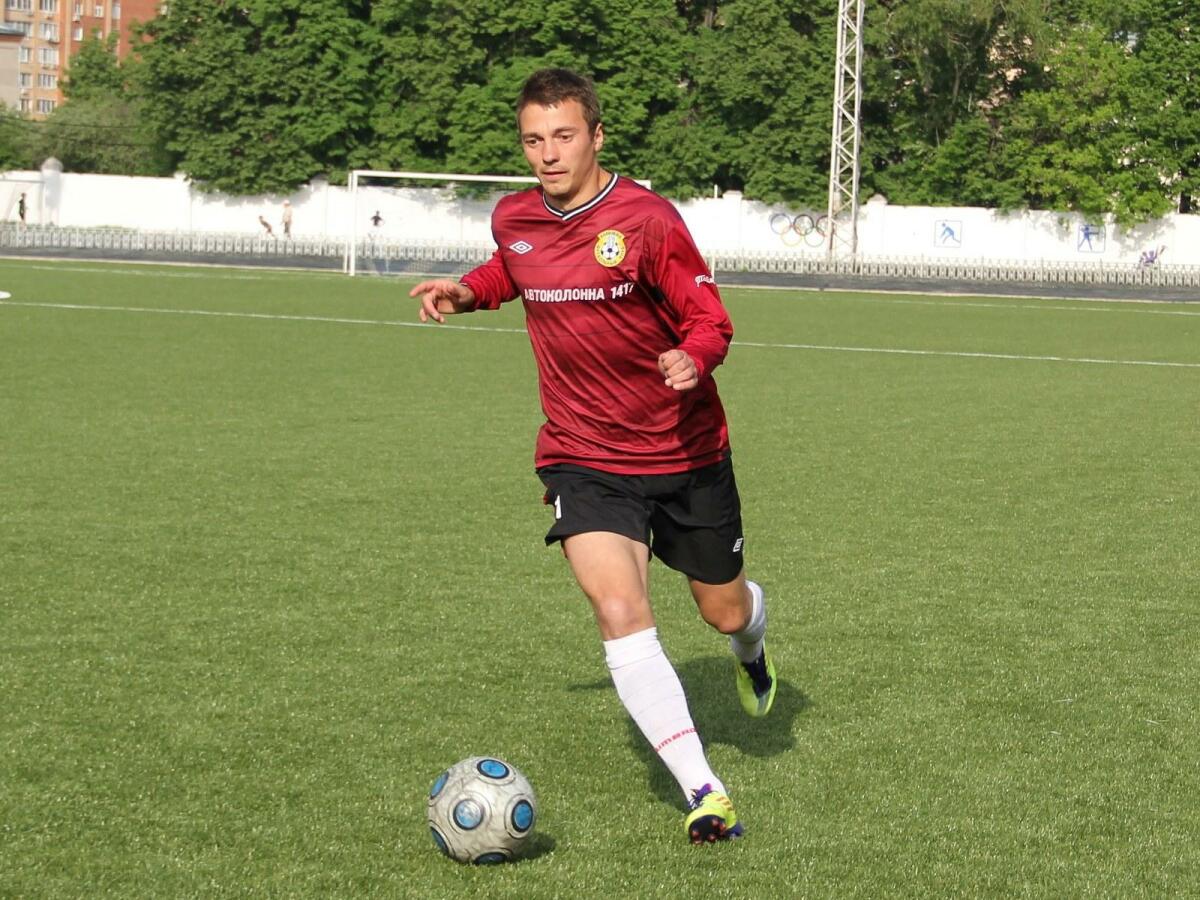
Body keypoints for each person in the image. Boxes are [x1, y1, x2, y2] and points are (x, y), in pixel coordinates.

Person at [409, 67, 775, 845]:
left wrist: (693, 357)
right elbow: (513, 267)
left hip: (683, 449)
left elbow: (710, 319)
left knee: (723, 609)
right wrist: (466, 292)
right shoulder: (513, 215)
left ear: (597, 137)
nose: (548, 153)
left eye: (563, 136)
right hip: (583, 454)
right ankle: (705, 790)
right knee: (617, 609)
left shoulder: (647, 220)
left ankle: (751, 644)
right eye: (533, 140)